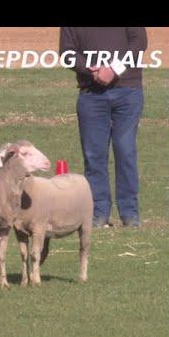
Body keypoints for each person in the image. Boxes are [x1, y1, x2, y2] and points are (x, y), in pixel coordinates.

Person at [59, 27, 147, 228]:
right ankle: (99, 214)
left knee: (125, 150)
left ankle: (130, 214)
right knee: (94, 155)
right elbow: (67, 53)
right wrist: (92, 69)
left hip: (127, 90)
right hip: (91, 95)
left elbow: (138, 42)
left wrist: (113, 69)